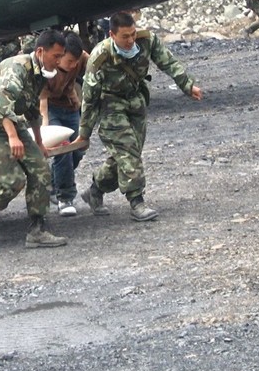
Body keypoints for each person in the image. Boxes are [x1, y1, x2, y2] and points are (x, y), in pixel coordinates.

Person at [74, 12, 203, 222]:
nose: (131, 40)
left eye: (133, 34)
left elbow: (168, 62)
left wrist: (187, 85)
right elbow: (89, 99)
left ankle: (95, 190)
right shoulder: (99, 57)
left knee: (125, 156)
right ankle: (137, 202)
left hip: (136, 102)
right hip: (111, 107)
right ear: (111, 35)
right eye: (125, 36)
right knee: (129, 154)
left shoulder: (146, 41)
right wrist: (84, 133)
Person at [0, 29, 68, 248]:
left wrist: (39, 143)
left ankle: (37, 230)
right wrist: (13, 137)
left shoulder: (40, 73)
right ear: (41, 51)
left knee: (41, 169)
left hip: (13, 121)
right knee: (13, 180)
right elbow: (2, 104)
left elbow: (32, 110)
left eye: (62, 56)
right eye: (56, 56)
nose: (59, 61)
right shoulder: (18, 67)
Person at [40, 31, 89, 216]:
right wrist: (44, 124)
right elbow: (42, 99)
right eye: (69, 61)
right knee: (63, 149)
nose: (73, 65)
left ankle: (53, 183)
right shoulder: (45, 67)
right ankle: (65, 197)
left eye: (76, 62)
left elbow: (94, 66)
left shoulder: (81, 57)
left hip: (70, 107)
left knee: (78, 148)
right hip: (51, 108)